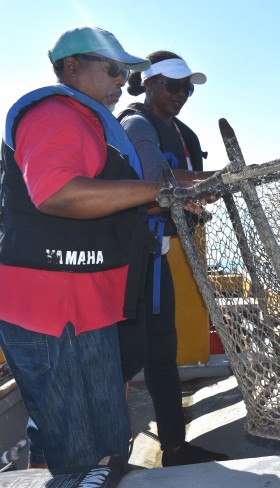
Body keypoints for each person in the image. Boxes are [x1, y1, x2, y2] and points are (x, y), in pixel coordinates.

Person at [0, 27, 195, 473]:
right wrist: (158, 191)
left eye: (126, 72)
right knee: (75, 450)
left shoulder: (93, 123)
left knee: (105, 437)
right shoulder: (54, 114)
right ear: (71, 66)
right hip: (48, 307)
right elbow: (59, 194)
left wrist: (172, 193)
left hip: (90, 303)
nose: (121, 81)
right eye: (113, 69)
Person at [117, 51, 229, 467]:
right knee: (124, 358)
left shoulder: (178, 132)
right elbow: (152, 180)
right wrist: (214, 179)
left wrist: (200, 194)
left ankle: (175, 448)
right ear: (148, 83)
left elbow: (180, 190)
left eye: (188, 87)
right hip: (129, 261)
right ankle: (109, 454)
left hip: (157, 256)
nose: (182, 94)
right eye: (173, 85)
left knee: (164, 353)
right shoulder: (136, 124)